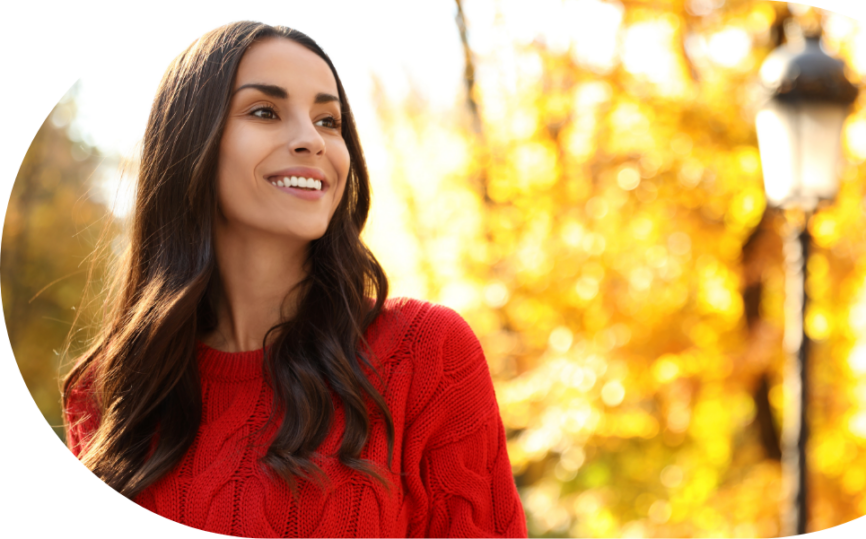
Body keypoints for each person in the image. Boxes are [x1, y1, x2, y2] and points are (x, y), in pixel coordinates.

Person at [60, 21, 527, 538]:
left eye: (329, 120)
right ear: (191, 145)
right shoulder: (108, 392)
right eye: (265, 111)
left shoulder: (425, 354)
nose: (312, 140)